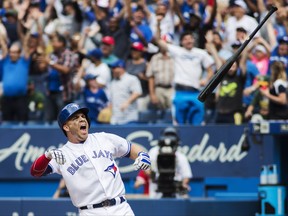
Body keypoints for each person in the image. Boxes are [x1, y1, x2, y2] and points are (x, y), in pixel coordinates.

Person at [30, 102, 151, 216]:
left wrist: (142, 155)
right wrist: (46, 157)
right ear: (66, 127)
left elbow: (131, 149)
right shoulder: (62, 154)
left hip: (121, 208)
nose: (82, 119)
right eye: (75, 118)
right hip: (91, 212)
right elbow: (35, 172)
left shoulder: (104, 138)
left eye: (83, 116)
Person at [156, 30, 214, 125]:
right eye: (185, 39)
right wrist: (158, 22)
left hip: (196, 93)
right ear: (182, 42)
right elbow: (158, 41)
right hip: (180, 93)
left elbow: (210, 70)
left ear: (194, 40)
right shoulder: (177, 51)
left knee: (198, 124)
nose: (188, 41)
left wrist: (206, 79)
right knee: (179, 125)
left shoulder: (201, 53)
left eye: (190, 38)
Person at [148, 127, 192, 198]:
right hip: (156, 193)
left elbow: (186, 175)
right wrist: (151, 174)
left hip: (175, 193)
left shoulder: (181, 156)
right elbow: (145, 169)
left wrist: (183, 185)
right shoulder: (153, 152)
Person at [108, 59, 142, 125]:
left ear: (121, 68)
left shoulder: (131, 79)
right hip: (116, 119)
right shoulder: (113, 82)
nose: (113, 70)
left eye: (114, 68)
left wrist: (127, 102)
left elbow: (137, 92)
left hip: (129, 117)